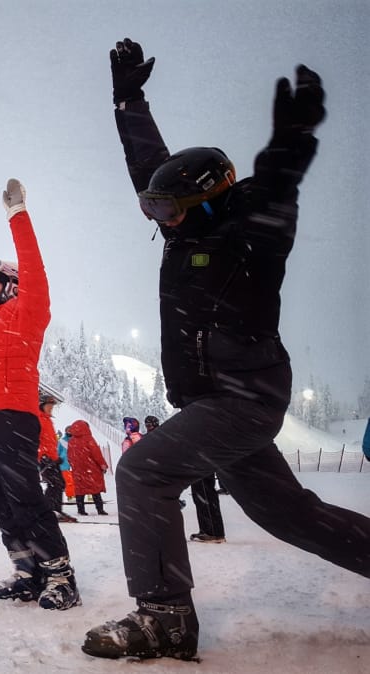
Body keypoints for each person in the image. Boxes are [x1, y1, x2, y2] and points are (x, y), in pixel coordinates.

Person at [84, 38, 370, 661]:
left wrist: (292, 144)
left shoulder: (250, 237)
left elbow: (275, 189)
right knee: (288, 515)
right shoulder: (182, 231)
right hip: (217, 401)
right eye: (152, 208)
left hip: (243, 398)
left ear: (209, 200)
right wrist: (129, 99)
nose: (160, 217)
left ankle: (165, 617)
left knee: (142, 472)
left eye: (170, 207)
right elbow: (150, 165)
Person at [0, 178, 79, 611]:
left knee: (25, 497)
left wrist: (17, 215)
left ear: (11, 285)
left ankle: (59, 575)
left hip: (9, 414)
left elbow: (35, 267)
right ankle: (26, 569)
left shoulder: (26, 313)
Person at [37, 396, 73, 523]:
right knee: (54, 484)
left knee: (60, 484)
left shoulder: (47, 420)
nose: (51, 408)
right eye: (49, 405)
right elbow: (35, 440)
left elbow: (50, 441)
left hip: (52, 458)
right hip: (45, 459)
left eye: (52, 406)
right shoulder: (39, 420)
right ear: (42, 405)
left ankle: (55, 509)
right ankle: (49, 511)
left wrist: (56, 457)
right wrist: (43, 456)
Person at [65, 421, 109, 516]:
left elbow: (69, 455)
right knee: (95, 489)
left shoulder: (71, 441)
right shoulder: (89, 439)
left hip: (78, 470)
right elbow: (97, 454)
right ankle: (100, 509)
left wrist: (74, 465)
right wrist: (103, 465)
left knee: (80, 490)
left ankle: (81, 510)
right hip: (91, 469)